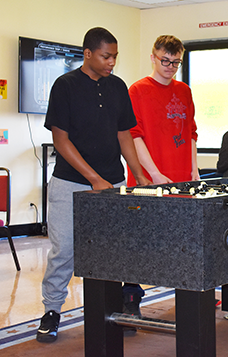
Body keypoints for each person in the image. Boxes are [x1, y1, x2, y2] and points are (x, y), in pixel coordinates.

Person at [37, 27, 151, 343]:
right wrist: (92, 178)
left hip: (112, 183)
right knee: (65, 251)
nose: (111, 62)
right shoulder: (66, 86)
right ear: (87, 53)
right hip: (69, 185)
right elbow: (60, 139)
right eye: (106, 56)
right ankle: (52, 312)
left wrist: (137, 172)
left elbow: (124, 134)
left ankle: (122, 307)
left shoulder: (117, 87)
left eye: (115, 56)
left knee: (118, 245)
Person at [126, 35, 199, 186]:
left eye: (176, 62)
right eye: (165, 60)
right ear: (153, 58)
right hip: (149, 179)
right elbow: (133, 137)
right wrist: (154, 174)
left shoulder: (184, 91)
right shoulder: (137, 91)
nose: (170, 66)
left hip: (182, 177)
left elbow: (191, 133)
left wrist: (194, 170)